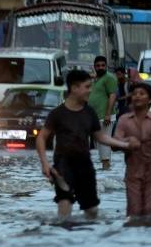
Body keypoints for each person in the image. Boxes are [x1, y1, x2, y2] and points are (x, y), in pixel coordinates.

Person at [36, 69, 132, 221]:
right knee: (65, 204)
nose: (90, 91)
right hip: (63, 163)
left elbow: (100, 137)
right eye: (87, 87)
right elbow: (41, 138)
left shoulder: (90, 112)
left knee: (92, 211)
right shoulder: (57, 113)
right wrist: (44, 163)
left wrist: (124, 144)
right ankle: (61, 236)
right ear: (74, 88)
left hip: (85, 164)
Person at [115, 82, 151, 224]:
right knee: (133, 212)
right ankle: (132, 242)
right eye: (134, 94)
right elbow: (115, 143)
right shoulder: (124, 120)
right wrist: (128, 141)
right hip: (133, 172)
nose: (137, 97)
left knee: (148, 211)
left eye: (141, 94)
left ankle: (148, 242)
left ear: (150, 99)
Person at [88, 55, 118, 169]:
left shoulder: (109, 78)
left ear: (106, 66)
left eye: (102, 65)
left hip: (105, 116)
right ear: (94, 67)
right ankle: (104, 169)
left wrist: (107, 114)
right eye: (98, 66)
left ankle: (106, 168)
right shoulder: (97, 79)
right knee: (99, 143)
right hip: (95, 117)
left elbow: (112, 95)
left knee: (104, 142)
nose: (100, 67)